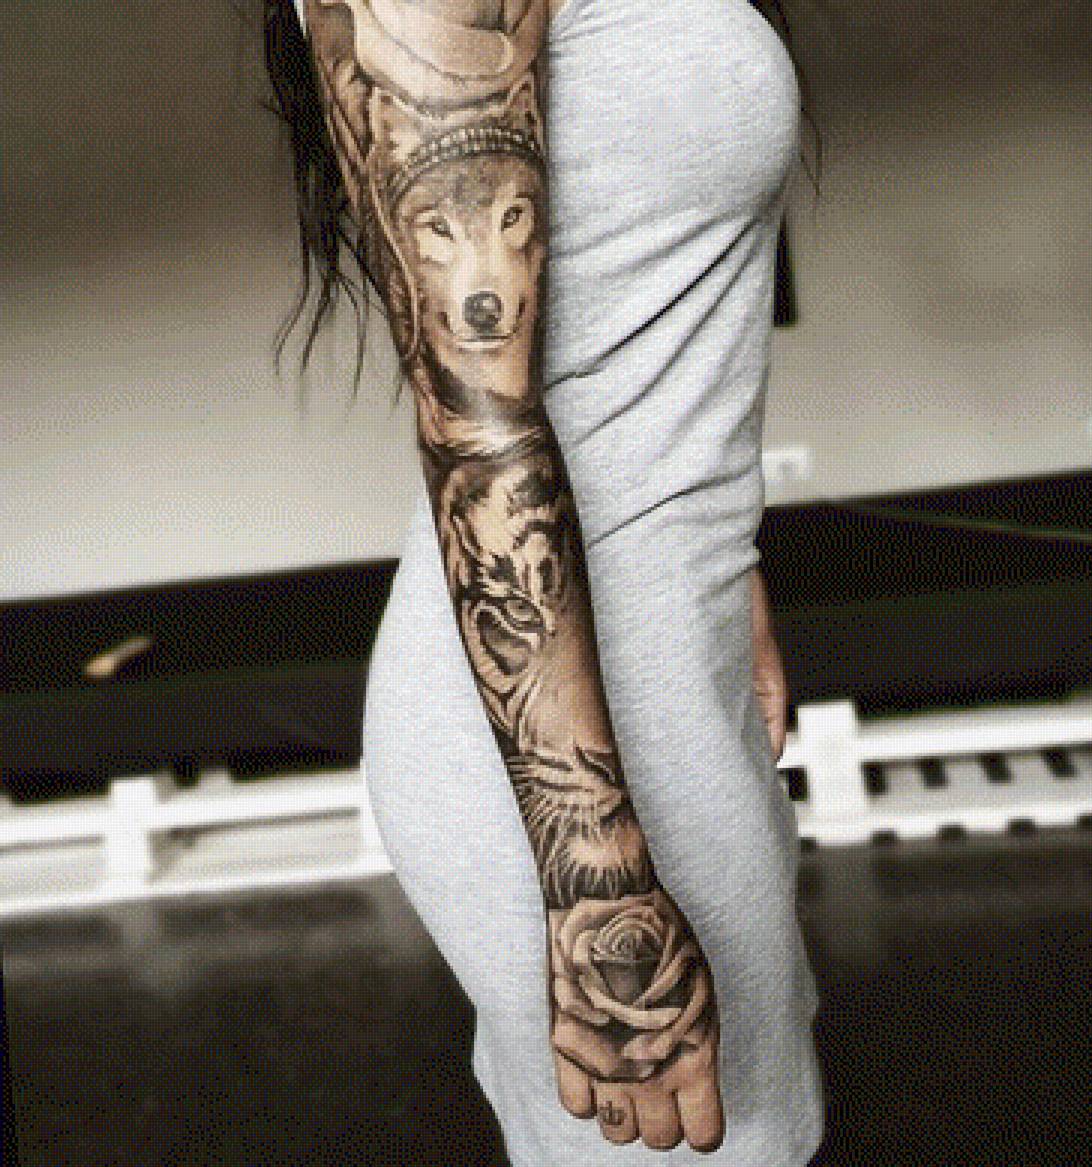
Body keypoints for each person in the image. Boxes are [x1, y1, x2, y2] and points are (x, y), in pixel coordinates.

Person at [261, 0, 826, 1159]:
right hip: (564, 758)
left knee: (775, 1122)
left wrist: (733, 568)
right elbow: (479, 428)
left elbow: (655, 310)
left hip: (680, 660)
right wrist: (598, 892)